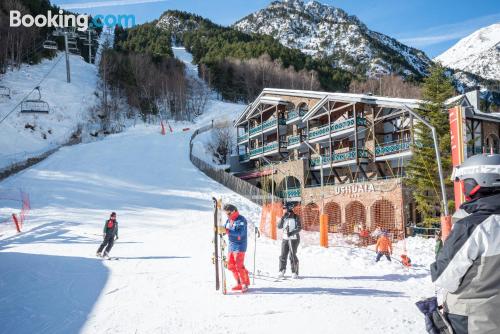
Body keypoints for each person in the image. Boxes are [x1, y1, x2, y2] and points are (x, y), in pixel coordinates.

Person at [431, 154, 500, 334]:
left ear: (476, 182)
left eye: (464, 182)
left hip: (473, 320)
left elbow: (445, 278)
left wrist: (443, 249)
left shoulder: (472, 226)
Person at [223, 203, 250, 292]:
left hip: (240, 245)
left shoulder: (241, 220)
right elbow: (226, 229)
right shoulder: (229, 220)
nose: (227, 215)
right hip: (231, 245)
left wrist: (227, 231)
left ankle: (244, 283)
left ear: (234, 211)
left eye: (229, 213)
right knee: (230, 266)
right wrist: (221, 230)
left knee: (239, 265)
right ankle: (239, 283)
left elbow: (240, 233)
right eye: (226, 214)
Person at [278, 202, 302, 279]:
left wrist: (291, 233)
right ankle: (282, 270)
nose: (283, 210)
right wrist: (282, 218)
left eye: (284, 208)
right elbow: (279, 226)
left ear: (289, 209)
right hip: (285, 238)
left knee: (292, 255)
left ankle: (294, 272)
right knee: (283, 255)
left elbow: (299, 228)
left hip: (294, 239)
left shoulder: (296, 217)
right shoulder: (284, 217)